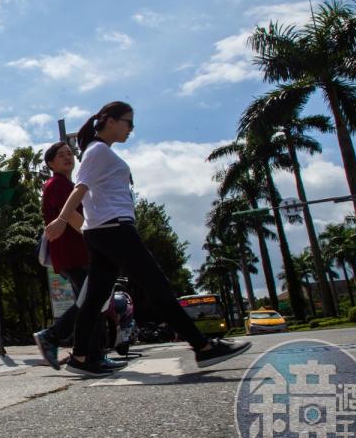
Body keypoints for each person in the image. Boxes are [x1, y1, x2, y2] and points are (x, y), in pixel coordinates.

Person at [45, 101, 251, 376]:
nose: (132, 128)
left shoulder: (99, 152)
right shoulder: (97, 151)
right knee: (157, 286)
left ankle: (81, 358)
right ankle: (203, 347)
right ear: (110, 121)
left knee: (95, 298)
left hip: (101, 230)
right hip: (114, 229)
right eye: (128, 122)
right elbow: (80, 189)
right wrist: (61, 219)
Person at [33, 141, 125, 372]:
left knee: (94, 302)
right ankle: (57, 338)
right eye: (61, 155)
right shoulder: (56, 185)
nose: (67, 157)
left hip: (79, 254)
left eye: (69, 153)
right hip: (73, 255)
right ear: (51, 163)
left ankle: (90, 356)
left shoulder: (68, 184)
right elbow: (74, 217)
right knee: (92, 301)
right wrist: (99, 241)